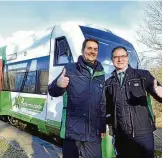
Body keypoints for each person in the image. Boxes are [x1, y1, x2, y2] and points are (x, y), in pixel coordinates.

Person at [48, 39, 106, 158]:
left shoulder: (101, 74)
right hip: (73, 132)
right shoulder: (70, 69)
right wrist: (58, 84)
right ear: (83, 50)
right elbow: (52, 91)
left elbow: (102, 103)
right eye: (89, 48)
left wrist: (102, 126)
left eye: (95, 49)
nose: (92, 51)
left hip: (93, 133)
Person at [105, 46, 162, 158]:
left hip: (143, 134)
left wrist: (161, 95)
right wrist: (111, 130)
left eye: (123, 56)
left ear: (128, 57)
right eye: (116, 57)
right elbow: (107, 109)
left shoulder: (142, 75)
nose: (120, 59)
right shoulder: (108, 83)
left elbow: (157, 92)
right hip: (121, 136)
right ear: (112, 60)